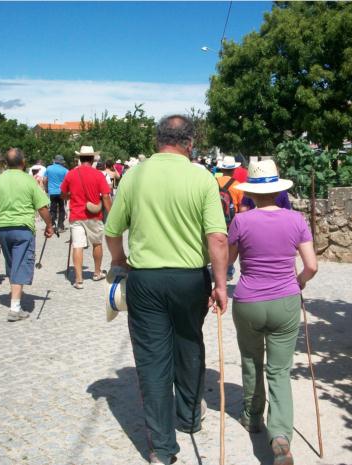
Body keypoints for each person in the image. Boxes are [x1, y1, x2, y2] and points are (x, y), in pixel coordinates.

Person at [105, 114, 228, 465]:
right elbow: (217, 238)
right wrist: (221, 285)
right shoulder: (202, 177)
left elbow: (112, 230)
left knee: (152, 359)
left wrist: (120, 260)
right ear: (190, 142)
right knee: (189, 343)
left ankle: (161, 449)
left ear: (158, 140)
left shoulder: (134, 175)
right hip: (190, 279)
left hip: (145, 280)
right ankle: (188, 417)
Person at [227, 159, 317, 465]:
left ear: (251, 192)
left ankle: (252, 417)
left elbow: (229, 261)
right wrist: (299, 282)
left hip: (248, 301)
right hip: (285, 301)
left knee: (251, 360)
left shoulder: (241, 221)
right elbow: (311, 266)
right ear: (278, 190)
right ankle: (279, 436)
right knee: (279, 370)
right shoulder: (296, 220)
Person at [0, 148, 54, 322]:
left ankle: (15, 296)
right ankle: (15, 308)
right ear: (23, 162)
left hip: (2, 229)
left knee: (12, 263)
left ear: (6, 163)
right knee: (20, 264)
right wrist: (49, 225)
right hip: (23, 228)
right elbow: (42, 207)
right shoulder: (28, 181)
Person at [60, 145, 111, 289]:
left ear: (80, 158)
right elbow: (105, 196)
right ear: (93, 159)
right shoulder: (98, 175)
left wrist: (70, 196)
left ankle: (78, 280)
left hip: (76, 214)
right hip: (94, 215)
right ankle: (97, 272)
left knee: (77, 245)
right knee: (97, 243)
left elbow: (63, 194)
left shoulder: (71, 174)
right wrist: (112, 214)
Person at [216, 155, 244, 280]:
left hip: (215, 218)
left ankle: (216, 270)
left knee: (216, 244)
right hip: (231, 220)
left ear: (222, 169)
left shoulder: (213, 182)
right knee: (229, 245)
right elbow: (241, 207)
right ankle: (227, 271)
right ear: (233, 170)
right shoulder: (237, 186)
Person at [44, 155, 69, 231]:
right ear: (61, 162)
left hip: (52, 192)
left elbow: (44, 180)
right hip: (61, 192)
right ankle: (60, 226)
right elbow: (68, 182)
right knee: (61, 209)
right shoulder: (65, 170)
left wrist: (46, 188)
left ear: (55, 160)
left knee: (52, 209)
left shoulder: (48, 168)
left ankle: (51, 224)